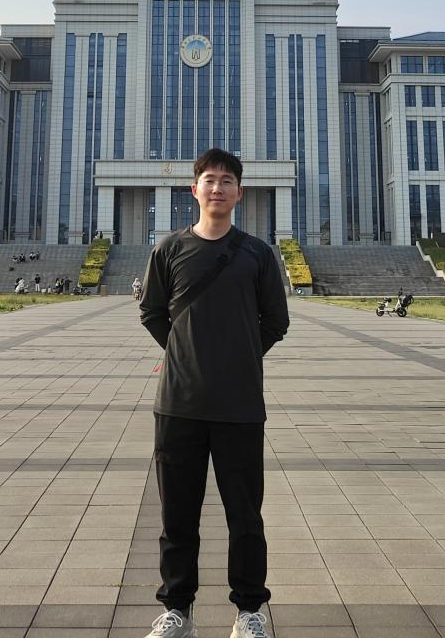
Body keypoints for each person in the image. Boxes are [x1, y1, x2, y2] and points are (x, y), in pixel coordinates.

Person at [139, 148, 289, 638]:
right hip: (178, 406)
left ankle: (249, 612)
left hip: (239, 407)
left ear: (239, 193)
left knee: (245, 517)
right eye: (209, 179)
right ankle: (177, 610)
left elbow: (276, 320)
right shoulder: (169, 250)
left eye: (227, 180)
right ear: (194, 189)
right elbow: (152, 313)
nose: (218, 187)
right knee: (177, 516)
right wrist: (186, 352)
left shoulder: (257, 254)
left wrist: (238, 356)